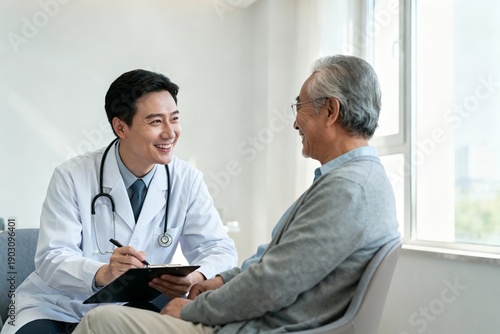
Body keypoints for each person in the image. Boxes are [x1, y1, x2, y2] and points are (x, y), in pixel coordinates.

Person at [72, 54, 401, 334]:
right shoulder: (353, 181)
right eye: (156, 121)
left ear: (330, 111)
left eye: (299, 105)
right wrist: (221, 281)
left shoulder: (348, 190)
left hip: (260, 326)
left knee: (100, 323)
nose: (294, 122)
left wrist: (192, 309)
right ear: (121, 127)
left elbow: (271, 283)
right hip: (249, 317)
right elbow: (274, 262)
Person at [0, 70, 238, 334]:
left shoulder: (186, 179)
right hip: (55, 306)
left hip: (129, 307)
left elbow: (219, 249)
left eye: (175, 119)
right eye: (156, 122)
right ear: (121, 127)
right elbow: (51, 258)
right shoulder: (72, 176)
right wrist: (104, 273)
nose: (170, 133)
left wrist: (195, 277)